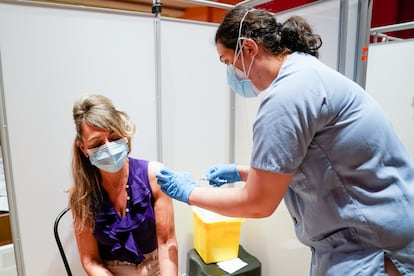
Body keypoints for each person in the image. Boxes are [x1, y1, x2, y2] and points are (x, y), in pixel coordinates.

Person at [155, 6, 414, 276]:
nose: (231, 72)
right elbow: (316, 167)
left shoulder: (286, 95)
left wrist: (189, 192)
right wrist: (243, 172)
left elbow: (258, 204)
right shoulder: (305, 74)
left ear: (249, 48)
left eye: (228, 61)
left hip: (370, 247)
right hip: (378, 232)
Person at [69, 94, 178, 275]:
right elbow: (90, 259)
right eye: (97, 143)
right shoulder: (81, 197)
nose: (108, 147)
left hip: (156, 268)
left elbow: (167, 243)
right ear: (83, 148)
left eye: (113, 137)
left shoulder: (154, 177)